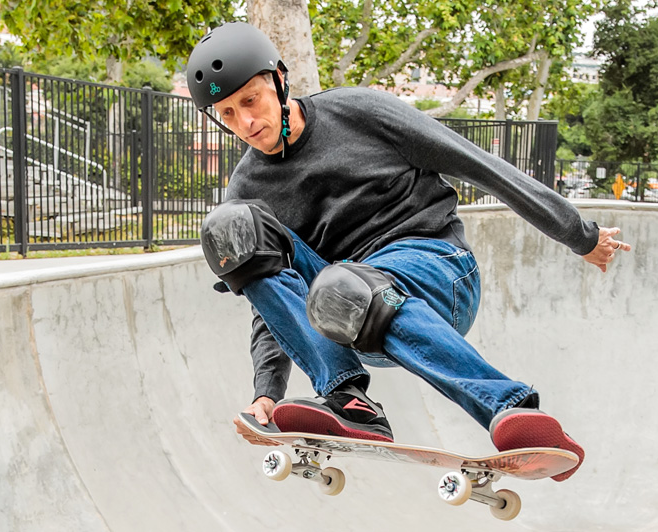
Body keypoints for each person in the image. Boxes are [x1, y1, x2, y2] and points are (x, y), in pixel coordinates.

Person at [187, 22, 630, 482]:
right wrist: (267, 390)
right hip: (346, 310)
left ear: (279, 79)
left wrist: (580, 235)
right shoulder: (248, 186)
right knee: (231, 228)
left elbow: (481, 165)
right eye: (227, 114)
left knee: (344, 283)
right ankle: (351, 402)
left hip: (438, 271)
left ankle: (510, 408)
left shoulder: (359, 112)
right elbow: (272, 298)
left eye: (251, 101)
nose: (246, 124)